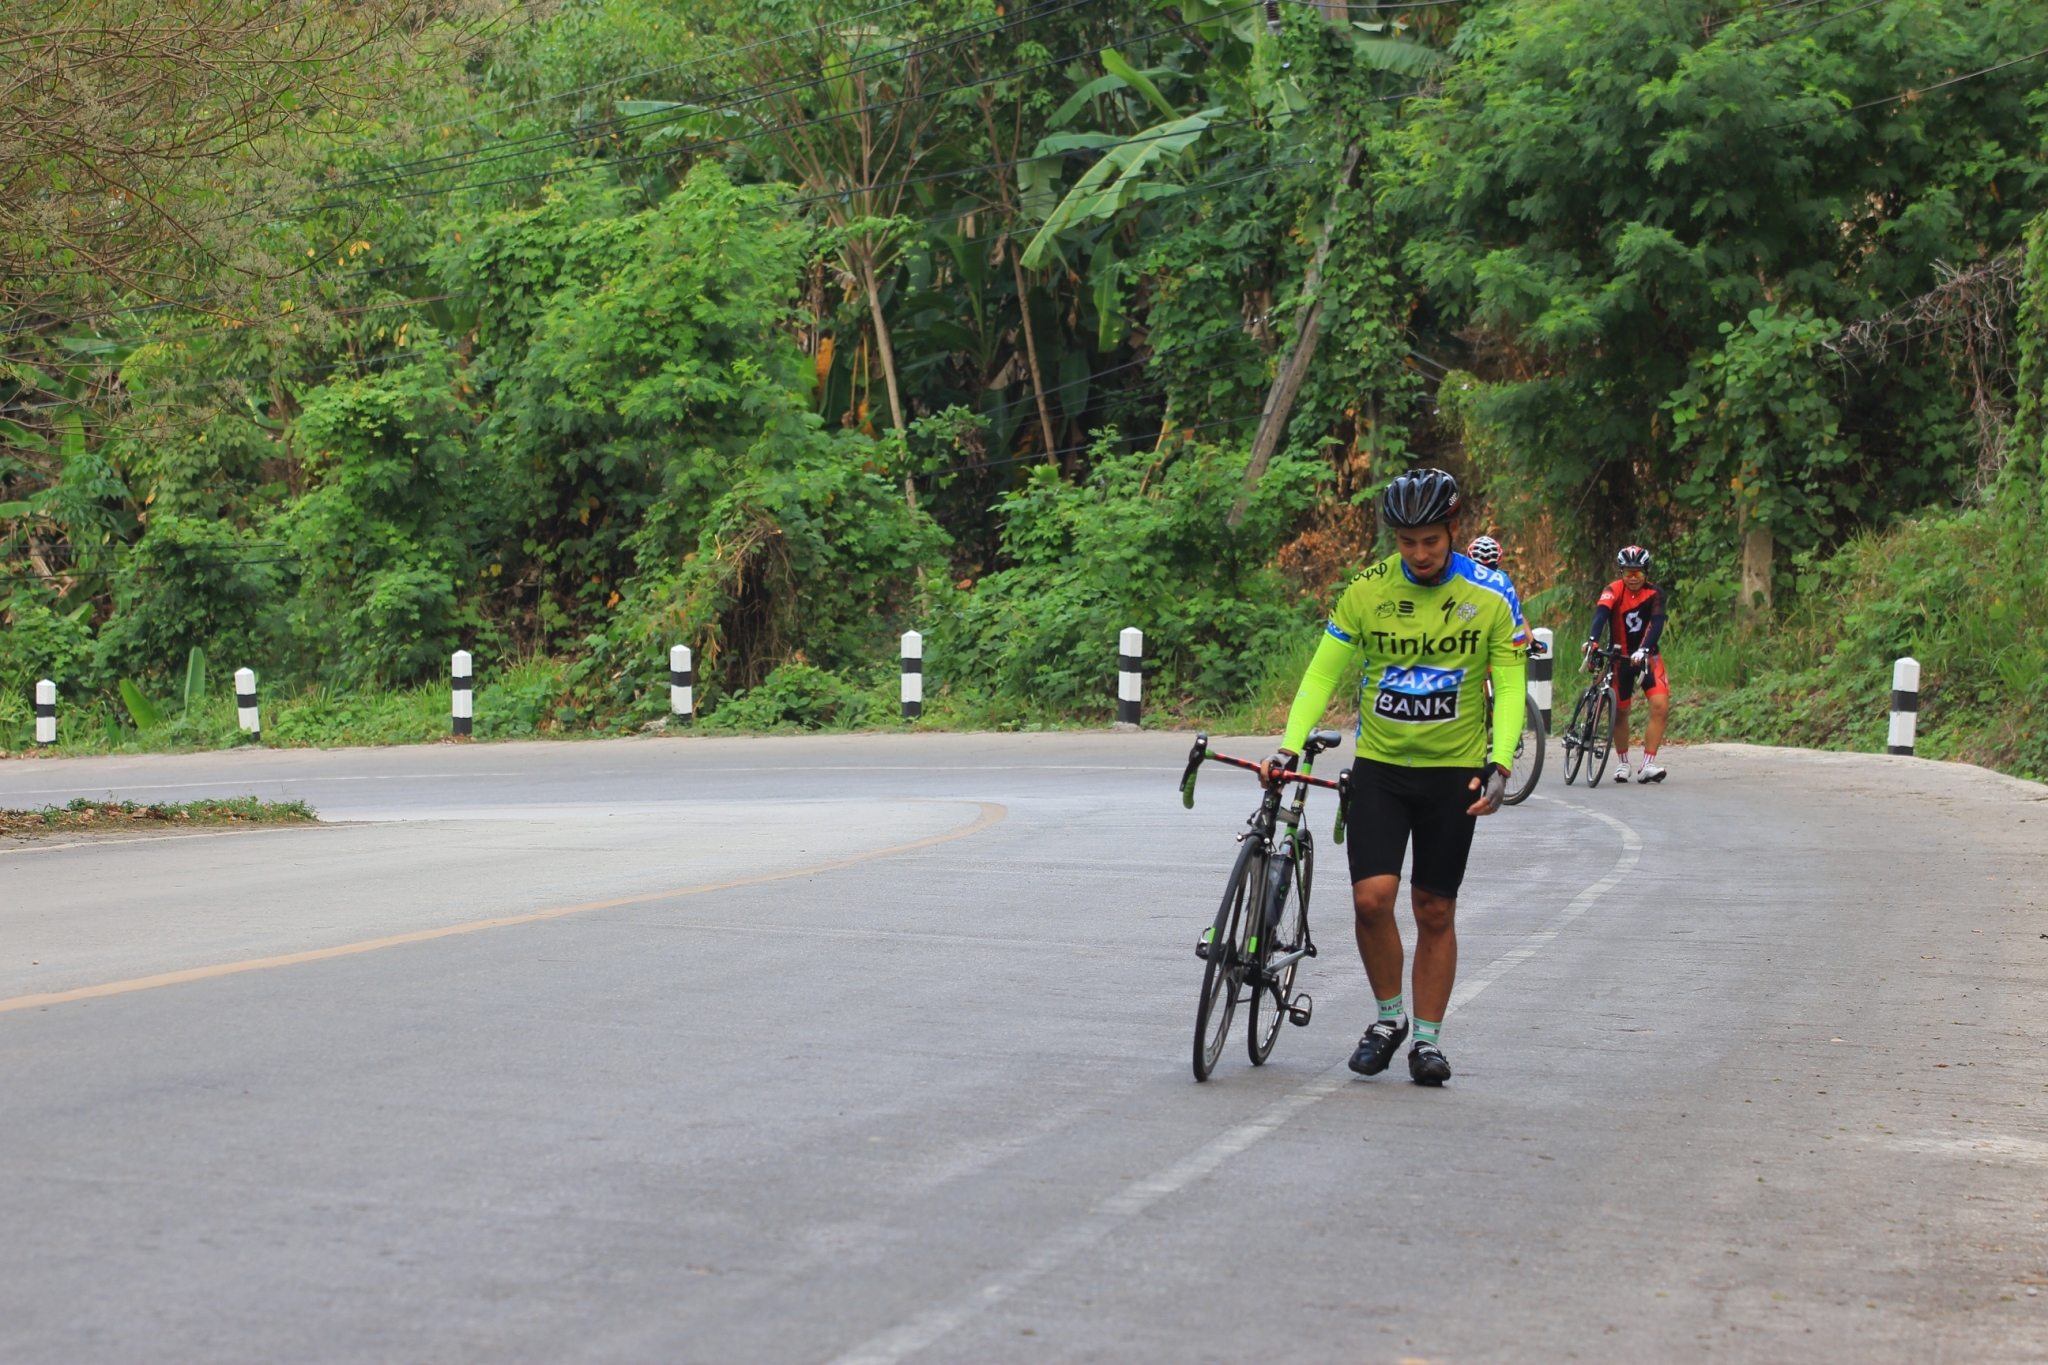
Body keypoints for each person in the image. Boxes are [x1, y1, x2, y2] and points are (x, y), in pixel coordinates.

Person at [1259, 469, 1528, 1087]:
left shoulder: (1492, 593)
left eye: (1431, 541)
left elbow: (1511, 682)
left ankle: (1427, 1041)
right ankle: (1388, 1021)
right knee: (1370, 900)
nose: (1419, 553)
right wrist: (1290, 744)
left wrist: (1500, 762)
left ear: (1452, 531)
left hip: (1453, 772)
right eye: (1407, 542)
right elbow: (1322, 674)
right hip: (1381, 768)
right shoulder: (1367, 590)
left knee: (1434, 908)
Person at [1583, 545, 1669, 784]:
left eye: (1638, 573)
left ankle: (1647, 765)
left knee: (1660, 706)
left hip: (1647, 656)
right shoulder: (1612, 590)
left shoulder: (1655, 593)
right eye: (1627, 573)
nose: (1633, 578)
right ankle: (1623, 762)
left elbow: (1657, 623)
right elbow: (1601, 615)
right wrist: (1593, 640)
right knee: (1620, 711)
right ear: (1621, 572)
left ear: (1646, 573)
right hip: (1619, 657)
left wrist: (1644, 649)